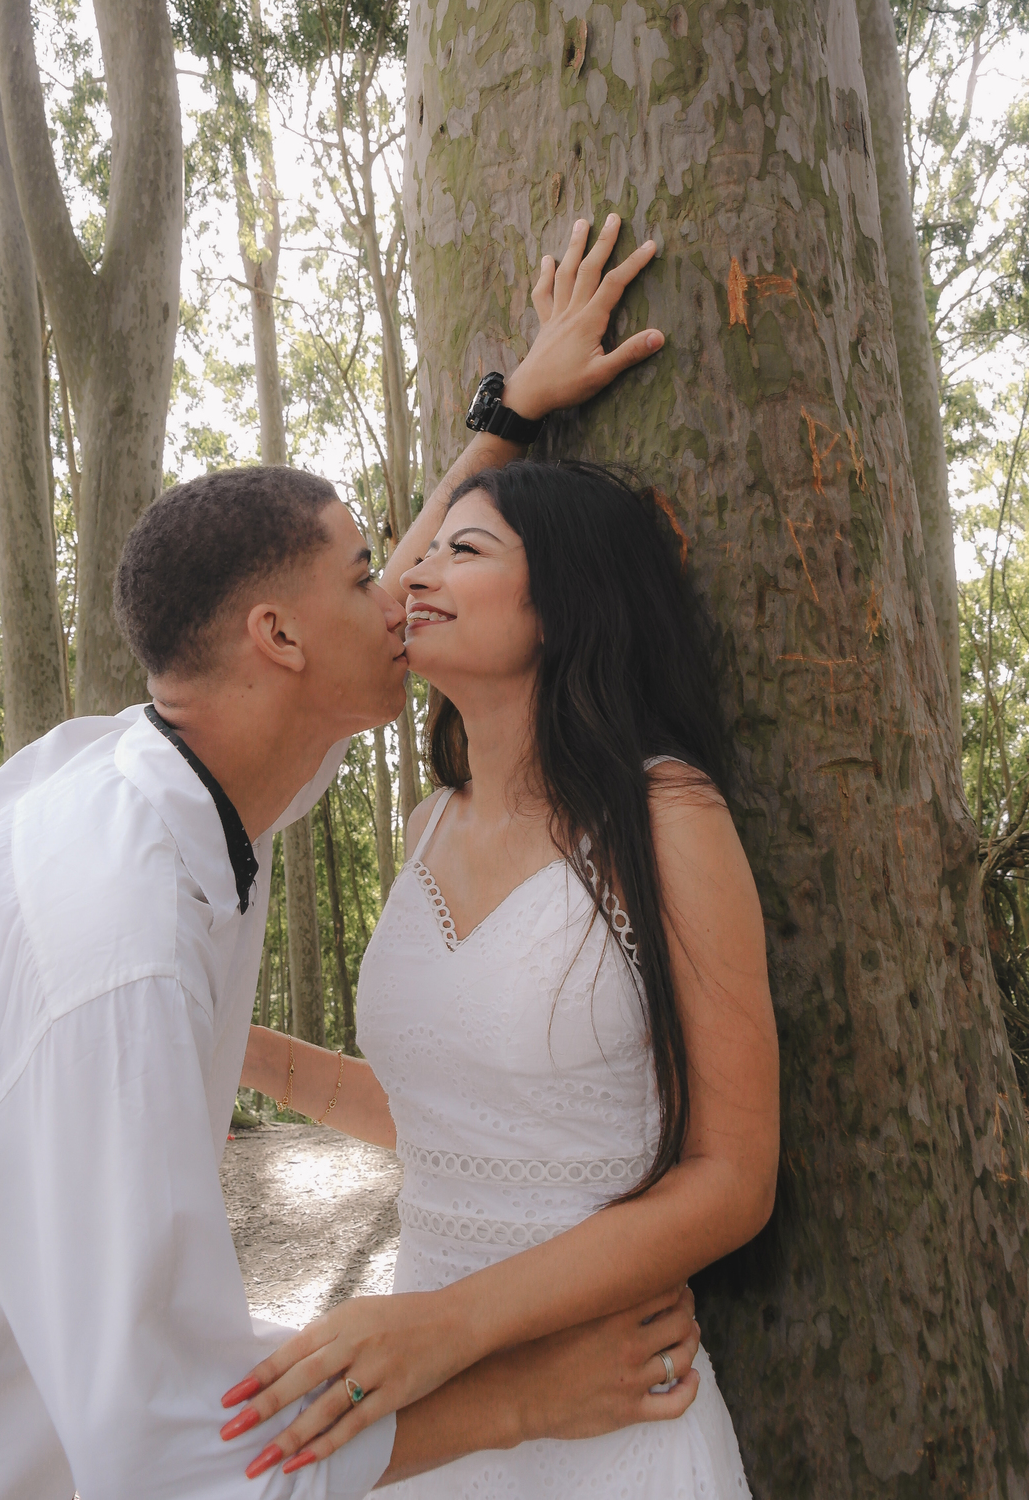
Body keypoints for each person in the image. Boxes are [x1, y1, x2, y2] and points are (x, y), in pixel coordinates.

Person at [0, 217, 699, 1500]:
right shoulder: (114, 935)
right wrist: (514, 1399)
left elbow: (348, 610)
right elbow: (165, 1456)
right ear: (281, 639)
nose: (405, 596)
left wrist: (507, 412)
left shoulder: (164, 772)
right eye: (372, 581)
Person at [230, 462, 780, 1492]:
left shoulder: (666, 817)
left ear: (566, 599)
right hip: (429, 1409)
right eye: (417, 551)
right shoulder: (427, 822)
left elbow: (733, 1178)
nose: (415, 574)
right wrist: (241, 1051)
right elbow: (441, 1112)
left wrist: (446, 1327)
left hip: (610, 1400)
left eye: (463, 550)